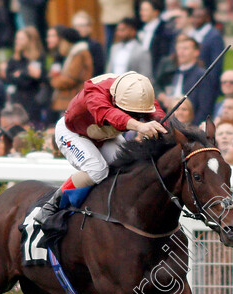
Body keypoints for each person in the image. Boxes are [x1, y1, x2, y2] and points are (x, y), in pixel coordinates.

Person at [35, 71, 166, 224]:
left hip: (105, 136)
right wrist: (140, 126)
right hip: (73, 132)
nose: (136, 117)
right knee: (97, 170)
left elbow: (158, 116)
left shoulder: (139, 94)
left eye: (139, 114)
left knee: (131, 167)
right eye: (131, 113)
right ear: (116, 99)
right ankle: (52, 205)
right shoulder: (95, 92)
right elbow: (109, 114)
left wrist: (167, 128)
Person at [158, 35, 212, 123]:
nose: (181, 52)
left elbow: (204, 108)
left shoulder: (202, 75)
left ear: (196, 52)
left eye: (185, 49)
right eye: (179, 49)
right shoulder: (173, 72)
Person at [48, 26, 93, 123]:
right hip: (71, 100)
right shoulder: (74, 54)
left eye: (61, 42)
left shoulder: (79, 54)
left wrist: (54, 80)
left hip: (73, 100)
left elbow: (70, 79)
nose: (60, 46)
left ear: (66, 42)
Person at [5, 27, 45, 127]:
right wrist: (25, 73)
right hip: (17, 98)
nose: (18, 42)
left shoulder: (37, 57)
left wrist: (20, 74)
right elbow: (9, 77)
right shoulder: (15, 58)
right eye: (17, 39)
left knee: (32, 125)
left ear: (29, 40)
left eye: (21, 39)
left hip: (32, 99)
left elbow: (34, 78)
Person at [139, 0, 173, 74]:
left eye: (145, 10)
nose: (142, 13)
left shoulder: (164, 30)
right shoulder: (142, 30)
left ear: (155, 12)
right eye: (141, 10)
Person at [72, 11, 107, 77]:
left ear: (89, 28)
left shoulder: (95, 46)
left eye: (81, 25)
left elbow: (99, 68)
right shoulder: (71, 45)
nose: (78, 29)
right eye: (75, 26)